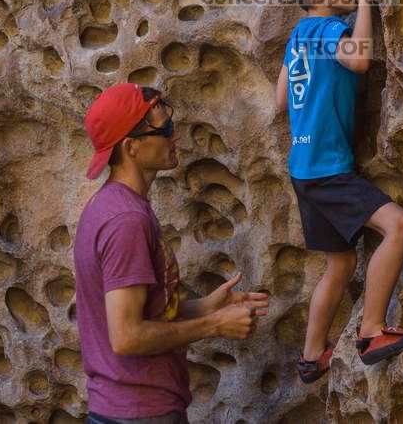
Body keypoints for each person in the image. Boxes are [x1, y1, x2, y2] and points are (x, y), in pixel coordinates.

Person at [74, 83, 268, 423]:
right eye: (164, 130)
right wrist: (215, 324)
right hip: (139, 414)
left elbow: (143, 312)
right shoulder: (127, 221)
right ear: (131, 146)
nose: (175, 137)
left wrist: (207, 306)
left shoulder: (108, 207)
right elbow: (127, 335)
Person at [275, 0, 403, 384]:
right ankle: (372, 330)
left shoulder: (298, 36)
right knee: (398, 227)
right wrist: (364, 2)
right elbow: (358, 59)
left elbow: (281, 99)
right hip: (329, 169)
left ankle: (312, 354)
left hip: (302, 167)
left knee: (339, 264)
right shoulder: (326, 30)